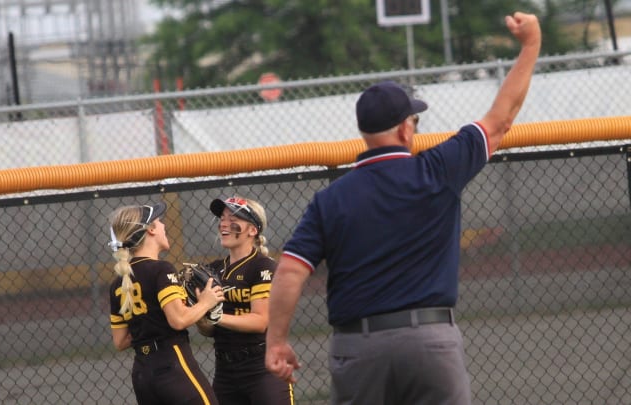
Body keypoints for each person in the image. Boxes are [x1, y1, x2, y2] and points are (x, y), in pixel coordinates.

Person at [265, 11, 541, 405]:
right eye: (414, 118)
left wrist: (276, 341)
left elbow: (291, 271)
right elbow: (501, 119)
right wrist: (530, 45)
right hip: (429, 342)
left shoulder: (331, 199)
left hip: (358, 348)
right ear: (405, 129)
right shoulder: (438, 169)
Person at [107, 201, 225, 405]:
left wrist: (149, 322)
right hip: (172, 364)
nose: (163, 226)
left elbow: (120, 341)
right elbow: (178, 320)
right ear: (151, 230)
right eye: (159, 221)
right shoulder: (161, 269)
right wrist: (205, 302)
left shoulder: (118, 282)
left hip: (142, 373)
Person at [195, 196, 294, 405]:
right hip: (225, 371)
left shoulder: (262, 266)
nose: (224, 223)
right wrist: (200, 314)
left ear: (252, 230)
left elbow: (260, 321)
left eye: (233, 219)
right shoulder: (213, 270)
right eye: (222, 218)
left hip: (262, 367)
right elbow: (208, 330)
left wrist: (216, 316)